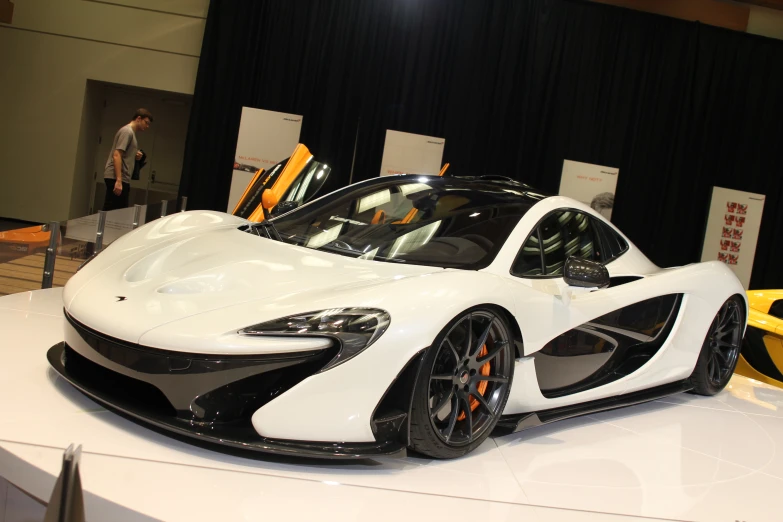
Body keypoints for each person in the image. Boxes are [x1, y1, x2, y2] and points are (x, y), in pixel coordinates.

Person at [102, 108, 153, 211]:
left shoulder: (131, 133)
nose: (147, 126)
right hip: (116, 177)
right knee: (113, 211)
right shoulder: (127, 132)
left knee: (116, 211)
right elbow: (117, 155)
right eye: (146, 122)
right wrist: (119, 180)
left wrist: (135, 154)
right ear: (139, 118)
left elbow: (123, 153)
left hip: (121, 177)